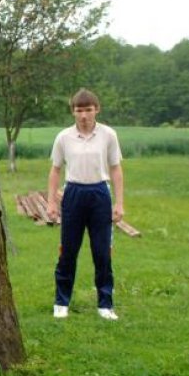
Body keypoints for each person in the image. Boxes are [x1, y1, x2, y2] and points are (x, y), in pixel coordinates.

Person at [46, 89, 124, 320]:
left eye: (88, 110)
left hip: (99, 193)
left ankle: (105, 304)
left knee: (102, 252)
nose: (84, 116)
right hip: (73, 194)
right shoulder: (63, 137)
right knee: (68, 251)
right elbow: (55, 170)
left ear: (96, 110)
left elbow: (116, 168)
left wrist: (119, 203)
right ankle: (61, 302)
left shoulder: (108, 135)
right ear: (73, 112)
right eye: (79, 110)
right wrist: (51, 201)